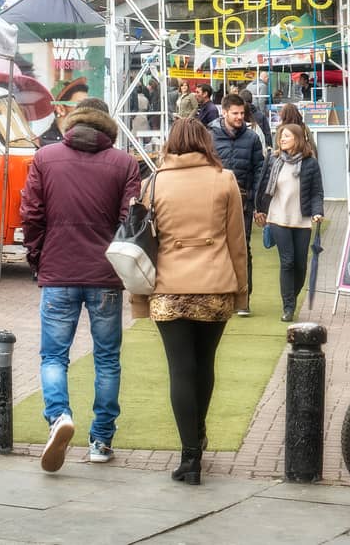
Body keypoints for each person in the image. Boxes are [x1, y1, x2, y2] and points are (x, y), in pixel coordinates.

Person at [20, 97, 141, 472]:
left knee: (54, 356)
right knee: (107, 358)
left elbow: (31, 213)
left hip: (58, 270)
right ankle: (101, 440)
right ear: (108, 124)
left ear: (73, 123)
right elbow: (131, 221)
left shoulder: (45, 158)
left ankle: (59, 416)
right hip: (105, 274)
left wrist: (37, 255)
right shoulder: (125, 164)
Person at [130, 118, 247, 485]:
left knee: (180, 370)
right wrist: (241, 291)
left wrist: (138, 300)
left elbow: (141, 246)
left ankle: (189, 457)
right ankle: (198, 436)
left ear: (171, 143)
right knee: (205, 365)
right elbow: (237, 243)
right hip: (215, 285)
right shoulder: (224, 179)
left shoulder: (153, 183)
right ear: (205, 142)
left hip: (169, 288)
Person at [255, 123, 325, 322]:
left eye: (286, 136)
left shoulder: (310, 163)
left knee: (301, 265)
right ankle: (288, 306)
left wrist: (317, 212)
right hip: (278, 217)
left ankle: (291, 297)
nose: (282, 139)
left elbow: (317, 192)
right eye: (281, 136)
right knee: (288, 261)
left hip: (301, 220)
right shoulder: (274, 160)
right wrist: (258, 209)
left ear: (298, 139)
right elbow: (262, 185)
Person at [209, 93, 264, 316]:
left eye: (242, 113)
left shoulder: (251, 138)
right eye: (235, 113)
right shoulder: (209, 136)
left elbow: (260, 168)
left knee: (242, 249)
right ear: (224, 113)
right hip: (215, 201)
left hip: (243, 200)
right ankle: (219, 296)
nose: (240, 117)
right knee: (215, 247)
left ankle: (243, 299)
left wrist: (256, 198)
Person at [37, 78, 90, 146]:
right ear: (60, 109)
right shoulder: (45, 144)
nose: (87, 110)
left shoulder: (88, 139)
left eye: (88, 104)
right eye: (80, 104)